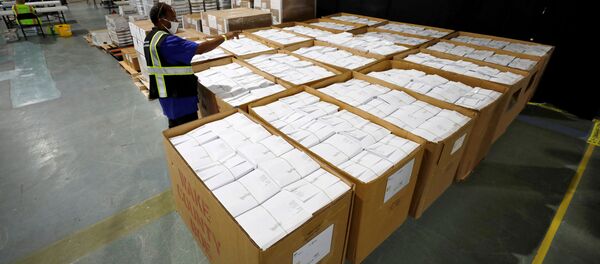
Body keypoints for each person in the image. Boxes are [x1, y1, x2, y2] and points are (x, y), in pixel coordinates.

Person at [145, 3, 239, 128]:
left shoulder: (151, 38)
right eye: (172, 19)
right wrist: (224, 37)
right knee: (189, 130)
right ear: (161, 21)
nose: (176, 21)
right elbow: (200, 49)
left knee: (176, 127)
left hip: (166, 95)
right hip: (179, 97)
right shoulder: (168, 42)